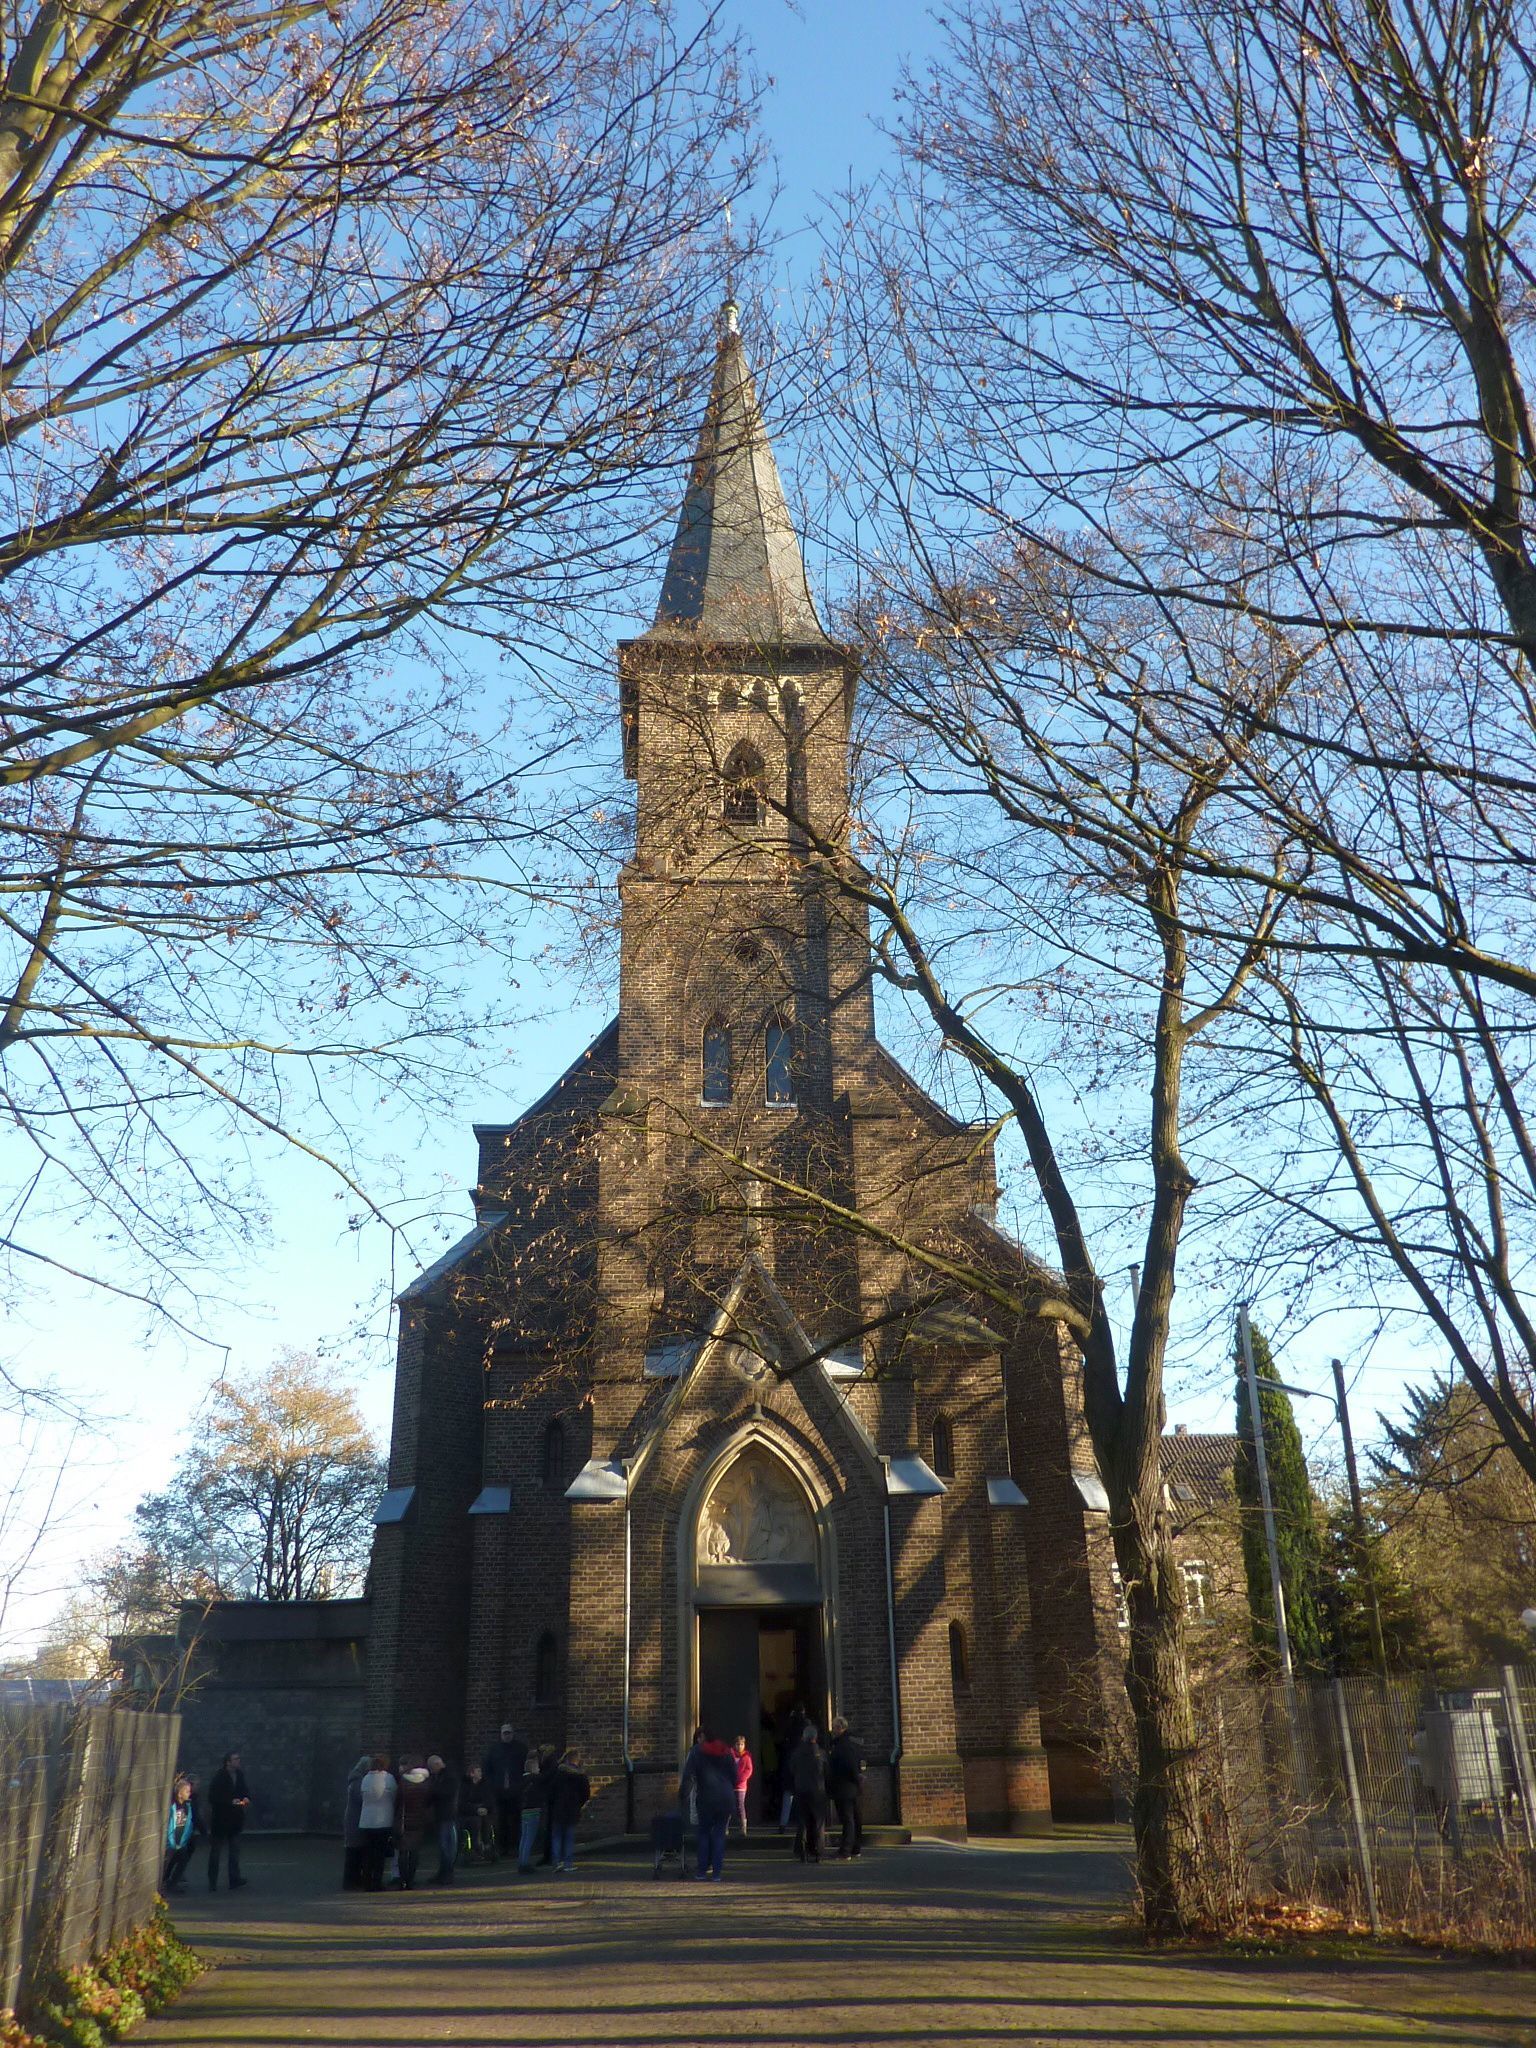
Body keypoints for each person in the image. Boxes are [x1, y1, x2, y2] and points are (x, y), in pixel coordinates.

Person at [680, 1728, 735, 1882]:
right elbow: (735, 1775)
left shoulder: (697, 1752)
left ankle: (702, 1871)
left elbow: (688, 1775)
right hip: (725, 1798)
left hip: (706, 1798)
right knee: (719, 1835)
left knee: (703, 1833)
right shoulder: (727, 1751)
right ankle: (717, 1873)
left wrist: (683, 1795)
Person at [481, 1722, 528, 1859]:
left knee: (515, 1820)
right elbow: (487, 1768)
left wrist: (521, 1785)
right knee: (501, 1820)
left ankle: (515, 1847)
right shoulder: (494, 1750)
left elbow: (526, 1767)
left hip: (516, 1791)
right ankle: (503, 1847)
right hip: (499, 1791)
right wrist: (493, 1784)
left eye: (509, 1733)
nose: (507, 1735)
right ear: (501, 1735)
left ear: (513, 1734)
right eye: (504, 1733)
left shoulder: (520, 1749)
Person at [207, 1751, 251, 1892]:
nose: (238, 1761)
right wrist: (229, 1802)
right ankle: (212, 1881)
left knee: (234, 1851)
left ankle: (234, 1879)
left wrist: (246, 1798)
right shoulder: (219, 1777)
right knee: (216, 1852)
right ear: (228, 1762)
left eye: (239, 1758)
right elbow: (213, 1797)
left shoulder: (240, 1775)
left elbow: (245, 1791)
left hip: (235, 1820)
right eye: (235, 1759)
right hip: (221, 1820)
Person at [828, 1717, 866, 1860]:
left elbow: (848, 1767)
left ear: (839, 1728)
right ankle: (855, 1848)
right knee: (855, 1818)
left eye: (834, 1727)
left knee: (848, 1820)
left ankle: (846, 1851)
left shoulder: (841, 1746)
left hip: (844, 1788)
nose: (832, 1730)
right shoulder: (852, 1743)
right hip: (852, 1787)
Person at [357, 1755, 397, 1891]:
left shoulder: (365, 1779)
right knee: (379, 1854)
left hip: (366, 1820)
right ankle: (376, 1882)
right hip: (383, 1820)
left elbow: (362, 1796)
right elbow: (394, 1795)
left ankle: (366, 1881)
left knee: (368, 1853)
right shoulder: (388, 1779)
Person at [789, 1724, 828, 1864]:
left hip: (801, 1790)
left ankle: (803, 1852)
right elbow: (827, 1772)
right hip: (818, 1791)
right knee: (818, 1822)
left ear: (803, 1737)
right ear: (815, 1737)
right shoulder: (821, 1753)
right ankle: (818, 1852)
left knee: (802, 1822)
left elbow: (791, 1770)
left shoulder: (796, 1753)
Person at [548, 1749, 591, 1873]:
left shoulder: (558, 1773)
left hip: (558, 1808)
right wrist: (579, 1804)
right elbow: (586, 1794)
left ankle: (556, 1862)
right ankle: (568, 1863)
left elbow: (551, 1792)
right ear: (577, 1760)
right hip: (572, 1809)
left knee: (557, 1836)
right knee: (569, 1837)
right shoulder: (580, 1775)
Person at [395, 1756, 431, 1888]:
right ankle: (411, 1879)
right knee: (415, 1852)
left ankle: (402, 1880)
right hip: (419, 1820)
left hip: (404, 1821)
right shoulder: (426, 1783)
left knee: (403, 1852)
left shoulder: (403, 1781)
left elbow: (398, 1801)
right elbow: (428, 1801)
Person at [427, 1754, 460, 1883]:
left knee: (447, 1846)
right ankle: (443, 1872)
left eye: (431, 1768)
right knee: (444, 1846)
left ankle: (447, 1873)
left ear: (436, 1765)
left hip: (447, 1814)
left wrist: (432, 1791)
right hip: (444, 1814)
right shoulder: (443, 1776)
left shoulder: (449, 1777)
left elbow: (446, 1792)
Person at [342, 1754, 372, 1889]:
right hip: (355, 1820)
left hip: (355, 1819)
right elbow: (361, 1799)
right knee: (354, 1852)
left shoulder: (356, 1779)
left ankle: (353, 1879)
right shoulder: (357, 1781)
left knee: (355, 1851)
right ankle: (350, 1880)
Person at [163, 1776, 198, 1892]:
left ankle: (173, 1883)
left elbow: (189, 1823)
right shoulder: (172, 1807)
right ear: (179, 1793)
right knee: (167, 1864)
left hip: (181, 1842)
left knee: (183, 1861)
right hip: (170, 1842)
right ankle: (163, 1882)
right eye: (187, 1791)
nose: (190, 1794)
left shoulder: (188, 1806)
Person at [516, 1752, 548, 1873]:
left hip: (524, 1811)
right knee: (529, 1838)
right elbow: (546, 1777)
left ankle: (521, 1862)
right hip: (534, 1810)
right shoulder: (535, 1779)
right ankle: (524, 1864)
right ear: (533, 1768)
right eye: (537, 1767)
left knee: (524, 1838)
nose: (539, 1769)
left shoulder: (522, 1780)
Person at [459, 1763, 493, 1861]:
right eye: (478, 1771)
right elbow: (462, 1804)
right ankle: (476, 1846)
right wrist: (476, 1809)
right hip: (469, 1814)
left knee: (487, 1820)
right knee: (475, 1822)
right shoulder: (464, 1787)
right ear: (472, 1774)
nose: (480, 1773)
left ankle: (487, 1846)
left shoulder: (485, 1785)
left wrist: (485, 1808)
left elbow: (489, 1800)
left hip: (483, 1812)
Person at [730, 1735, 754, 1835]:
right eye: (738, 1744)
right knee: (729, 1806)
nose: (739, 1746)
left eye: (742, 1744)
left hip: (740, 1786)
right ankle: (725, 1827)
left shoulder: (746, 1757)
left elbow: (749, 1770)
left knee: (740, 1806)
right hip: (730, 1785)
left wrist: (740, 1779)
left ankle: (743, 1827)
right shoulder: (730, 1756)